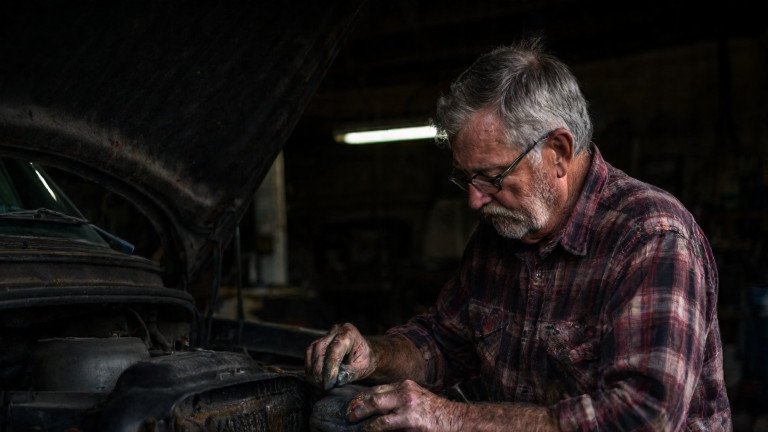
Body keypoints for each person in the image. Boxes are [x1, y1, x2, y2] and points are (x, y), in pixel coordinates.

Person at [306, 37, 732, 431]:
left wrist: (455, 419)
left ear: (559, 153)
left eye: (491, 177)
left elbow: (644, 417)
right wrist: (375, 356)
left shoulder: (650, 238)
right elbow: (444, 342)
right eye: (466, 178)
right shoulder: (500, 234)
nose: (475, 200)